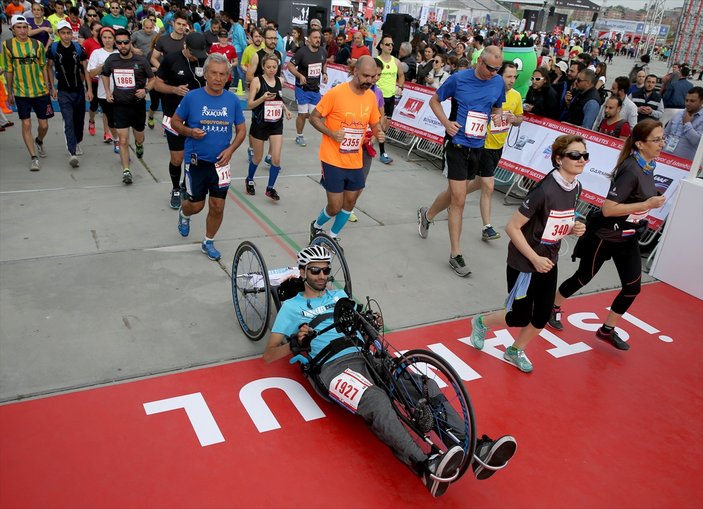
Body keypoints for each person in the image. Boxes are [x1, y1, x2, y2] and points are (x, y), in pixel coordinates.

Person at [263, 244, 518, 498]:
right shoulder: (292, 308)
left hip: (366, 355)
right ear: (303, 272)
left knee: (424, 385)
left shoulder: (338, 295)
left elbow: (359, 319)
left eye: (326, 270)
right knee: (376, 399)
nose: (321, 276)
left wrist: (373, 321)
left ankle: (476, 450)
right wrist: (296, 343)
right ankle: (425, 465)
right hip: (332, 368)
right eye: (315, 270)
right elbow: (269, 355)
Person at [470, 135, 588, 372]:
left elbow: (559, 220)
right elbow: (512, 227)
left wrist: (575, 226)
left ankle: (514, 350)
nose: (581, 160)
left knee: (543, 314)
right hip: (524, 262)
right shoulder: (543, 191)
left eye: (585, 155)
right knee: (520, 317)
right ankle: (481, 322)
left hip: (548, 260)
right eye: (575, 155)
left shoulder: (576, 187)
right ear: (558, 159)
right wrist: (534, 258)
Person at [549, 120, 668, 353]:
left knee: (633, 287)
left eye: (662, 138)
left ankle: (606, 330)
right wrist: (647, 203)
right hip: (606, 234)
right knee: (583, 277)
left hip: (628, 235)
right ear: (641, 144)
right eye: (656, 139)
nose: (662, 144)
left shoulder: (649, 165)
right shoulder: (631, 169)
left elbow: (633, 201)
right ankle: (552, 307)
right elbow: (608, 209)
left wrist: (647, 201)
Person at [416, 46, 505, 277]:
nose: (494, 73)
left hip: (478, 147)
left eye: (498, 69)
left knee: (457, 193)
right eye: (490, 68)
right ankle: (455, 254)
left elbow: (497, 106)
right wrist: (446, 123)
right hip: (456, 145)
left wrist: (497, 115)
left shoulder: (497, 83)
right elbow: (434, 100)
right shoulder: (458, 79)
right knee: (459, 201)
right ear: (480, 62)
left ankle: (427, 215)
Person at [171, 53, 247, 261]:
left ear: (227, 77)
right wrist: (190, 132)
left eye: (222, 74)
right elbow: (175, 122)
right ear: (205, 74)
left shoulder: (232, 100)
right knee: (196, 206)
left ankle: (208, 241)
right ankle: (185, 214)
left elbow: (241, 130)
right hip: (196, 161)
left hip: (221, 164)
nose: (218, 78)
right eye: (213, 73)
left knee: (217, 206)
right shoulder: (192, 97)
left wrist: (231, 150)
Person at [308, 55, 385, 243]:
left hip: (355, 159)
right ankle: (317, 226)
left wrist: (378, 132)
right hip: (332, 158)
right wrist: (331, 133)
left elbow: (375, 122)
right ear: (355, 71)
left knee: (350, 202)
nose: (369, 80)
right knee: (334, 206)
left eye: (372, 76)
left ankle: (332, 236)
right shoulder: (337, 93)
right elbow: (314, 117)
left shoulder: (370, 97)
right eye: (366, 76)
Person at [465, 62, 523, 241]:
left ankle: (455, 195)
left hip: (498, 146)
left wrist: (514, 119)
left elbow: (520, 118)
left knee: (479, 182)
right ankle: (487, 227)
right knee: (489, 185)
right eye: (508, 76)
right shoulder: (490, 92)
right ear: (499, 76)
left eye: (515, 77)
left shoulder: (516, 96)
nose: (512, 80)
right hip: (483, 144)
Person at [154, 31, 208, 208]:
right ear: (186, 47)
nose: (195, 58)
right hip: (174, 115)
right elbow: (157, 84)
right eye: (193, 54)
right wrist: (174, 90)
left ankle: (187, 185)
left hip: (197, 117)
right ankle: (176, 188)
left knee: (193, 157)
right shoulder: (171, 60)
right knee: (177, 159)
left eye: (198, 55)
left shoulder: (204, 60)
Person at [101, 28, 155, 184]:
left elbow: (152, 80)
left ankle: (139, 145)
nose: (123, 45)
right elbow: (104, 74)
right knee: (123, 141)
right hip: (120, 105)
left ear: (130, 43)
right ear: (116, 44)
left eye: (126, 42)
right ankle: (126, 171)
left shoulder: (141, 61)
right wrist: (107, 92)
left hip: (137, 106)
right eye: (119, 43)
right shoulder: (112, 60)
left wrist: (145, 90)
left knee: (140, 137)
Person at [3, 14, 54, 171]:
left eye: (25, 27)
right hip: (21, 91)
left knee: (44, 125)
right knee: (26, 124)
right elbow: (9, 70)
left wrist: (48, 86)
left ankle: (39, 140)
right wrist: (10, 91)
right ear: (12, 29)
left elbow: (43, 66)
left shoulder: (37, 44)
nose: (22, 31)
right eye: (19, 28)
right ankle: (33, 157)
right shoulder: (8, 45)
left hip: (39, 90)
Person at [246, 53, 292, 200]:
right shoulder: (257, 81)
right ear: (263, 67)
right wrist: (263, 98)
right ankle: (250, 179)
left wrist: (286, 109)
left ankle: (270, 188)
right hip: (260, 124)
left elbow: (279, 99)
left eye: (274, 67)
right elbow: (250, 104)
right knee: (257, 157)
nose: (272, 70)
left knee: (276, 159)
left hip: (276, 124)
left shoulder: (280, 80)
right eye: (268, 67)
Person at [47, 19, 92, 168]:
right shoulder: (54, 48)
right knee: (68, 121)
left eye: (68, 33)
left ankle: (77, 141)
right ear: (58, 34)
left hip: (78, 90)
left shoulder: (78, 48)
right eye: (63, 33)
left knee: (79, 121)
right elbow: (49, 67)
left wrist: (89, 89)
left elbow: (85, 69)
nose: (66, 36)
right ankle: (72, 153)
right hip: (63, 91)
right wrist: (52, 87)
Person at [286, 28, 327, 148]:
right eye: (315, 38)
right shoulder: (302, 52)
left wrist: (324, 73)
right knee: (302, 114)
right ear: (308, 40)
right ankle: (299, 135)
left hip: (315, 89)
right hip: (302, 89)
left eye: (319, 38)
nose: (317, 40)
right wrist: (299, 75)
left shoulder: (323, 52)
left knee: (316, 115)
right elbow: (290, 65)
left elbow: (324, 63)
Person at [149, 10, 189, 129]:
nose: (181, 27)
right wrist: (163, 70)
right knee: (162, 105)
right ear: (173, 23)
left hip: (184, 80)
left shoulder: (188, 40)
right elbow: (153, 58)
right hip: (166, 81)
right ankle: (162, 123)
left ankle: (176, 126)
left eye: (183, 25)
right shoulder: (163, 40)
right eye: (179, 24)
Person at [375, 34, 404, 164]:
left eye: (392, 44)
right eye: (387, 44)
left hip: (390, 97)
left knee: (385, 125)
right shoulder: (376, 61)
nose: (390, 46)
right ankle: (382, 152)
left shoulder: (396, 61)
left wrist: (400, 86)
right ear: (381, 46)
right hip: (377, 97)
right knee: (377, 123)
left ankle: (379, 146)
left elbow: (401, 76)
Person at [87, 26, 118, 146]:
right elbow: (91, 73)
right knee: (110, 119)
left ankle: (120, 141)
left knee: (119, 119)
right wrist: (103, 65)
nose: (107, 40)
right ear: (101, 38)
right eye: (104, 37)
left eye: (110, 37)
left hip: (120, 91)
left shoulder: (119, 52)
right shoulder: (97, 53)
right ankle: (115, 138)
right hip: (103, 92)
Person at [663, 87, 703, 161]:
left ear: (701, 101)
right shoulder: (678, 114)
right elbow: (665, 134)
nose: (688, 103)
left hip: (684, 164)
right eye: (686, 100)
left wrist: (687, 124)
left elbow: (698, 142)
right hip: (665, 157)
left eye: (692, 101)